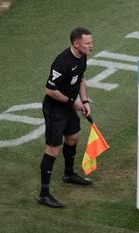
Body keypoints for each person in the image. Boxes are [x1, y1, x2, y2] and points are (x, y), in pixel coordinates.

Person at [38, 27, 94, 208]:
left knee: (73, 136)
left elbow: (81, 78)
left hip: (69, 105)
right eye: (87, 43)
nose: (91, 46)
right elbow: (50, 90)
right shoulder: (61, 63)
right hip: (55, 109)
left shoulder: (82, 56)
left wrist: (84, 100)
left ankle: (68, 174)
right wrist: (73, 102)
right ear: (76, 44)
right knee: (53, 148)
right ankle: (43, 194)